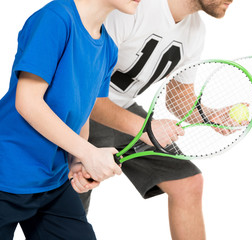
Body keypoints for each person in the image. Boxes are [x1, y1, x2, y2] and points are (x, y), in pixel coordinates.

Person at [74, 0, 233, 239]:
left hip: (123, 111)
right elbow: (83, 93)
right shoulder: (130, 7)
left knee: (187, 183)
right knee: (70, 208)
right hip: (76, 114)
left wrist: (211, 115)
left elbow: (179, 98)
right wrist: (145, 128)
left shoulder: (195, 30)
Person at [0, 0, 141, 239]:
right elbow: (28, 101)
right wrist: (88, 153)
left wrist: (76, 159)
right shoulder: (55, 19)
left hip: (52, 180)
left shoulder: (107, 48)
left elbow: (81, 111)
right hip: (7, 174)